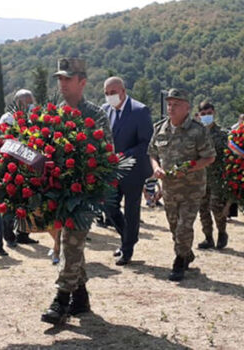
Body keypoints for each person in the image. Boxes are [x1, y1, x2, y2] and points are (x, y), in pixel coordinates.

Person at [41, 57, 112, 324]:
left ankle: (60, 300)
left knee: (71, 244)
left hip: (83, 194)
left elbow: (108, 156)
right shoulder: (54, 114)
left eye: (67, 78)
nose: (62, 83)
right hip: (57, 192)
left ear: (82, 82)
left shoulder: (95, 115)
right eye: (60, 78)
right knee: (73, 245)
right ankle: (80, 297)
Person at [148, 88, 215, 282]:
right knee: (173, 225)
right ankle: (186, 253)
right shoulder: (160, 128)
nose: (171, 107)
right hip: (169, 188)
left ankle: (179, 262)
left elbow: (209, 157)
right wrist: (156, 167)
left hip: (192, 188)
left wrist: (190, 167)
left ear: (187, 107)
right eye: (169, 104)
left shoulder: (197, 130)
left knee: (184, 226)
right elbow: (152, 153)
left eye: (176, 104)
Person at [102, 76, 154, 265]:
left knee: (132, 210)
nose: (110, 97)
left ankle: (127, 249)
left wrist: (123, 155)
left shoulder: (140, 111)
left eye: (113, 92)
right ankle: (127, 238)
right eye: (106, 93)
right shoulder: (104, 110)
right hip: (111, 170)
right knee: (109, 206)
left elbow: (146, 143)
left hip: (133, 169)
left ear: (123, 91)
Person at [0, 89, 39, 247]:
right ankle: (9, 236)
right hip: (11, 163)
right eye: (26, 103)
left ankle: (23, 233)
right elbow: (4, 140)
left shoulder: (34, 116)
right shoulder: (7, 118)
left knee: (27, 199)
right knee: (10, 201)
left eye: (31, 102)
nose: (30, 106)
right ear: (17, 103)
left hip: (30, 163)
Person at [195, 101, 229, 249]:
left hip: (217, 178)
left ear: (214, 113)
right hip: (200, 177)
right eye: (203, 114)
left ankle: (222, 233)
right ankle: (208, 237)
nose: (206, 116)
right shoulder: (196, 134)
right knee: (203, 208)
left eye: (209, 113)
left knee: (216, 207)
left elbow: (227, 156)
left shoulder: (222, 134)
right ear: (198, 115)